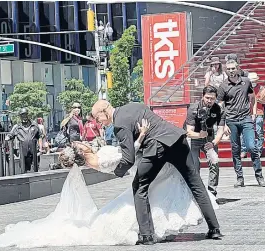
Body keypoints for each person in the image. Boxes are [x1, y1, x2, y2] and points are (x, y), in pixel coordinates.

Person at [0, 120, 219, 250]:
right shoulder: (98, 160)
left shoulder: (94, 158)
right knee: (135, 204)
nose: (80, 141)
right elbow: (126, 159)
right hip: (141, 165)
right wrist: (144, 134)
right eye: (78, 144)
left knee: (136, 202)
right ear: (80, 153)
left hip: (148, 166)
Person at [91, 100, 222, 245]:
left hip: (156, 147)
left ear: (104, 111)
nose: (99, 123)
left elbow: (128, 159)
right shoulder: (134, 105)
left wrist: (117, 172)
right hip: (177, 139)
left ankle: (147, 235)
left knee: (139, 187)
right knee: (196, 184)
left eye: (97, 118)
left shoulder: (119, 124)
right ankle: (214, 228)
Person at [217, 60, 265, 188]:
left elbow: (253, 96)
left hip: (245, 118)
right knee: (235, 150)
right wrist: (223, 124)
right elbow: (220, 106)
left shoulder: (246, 81)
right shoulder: (223, 86)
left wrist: (254, 111)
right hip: (231, 120)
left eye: (233, 68)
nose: (231, 70)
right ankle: (240, 178)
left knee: (251, 146)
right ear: (226, 70)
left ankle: (259, 176)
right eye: (229, 69)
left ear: (238, 68)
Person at [184, 86, 225, 197]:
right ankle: (195, 193)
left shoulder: (219, 109)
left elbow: (221, 130)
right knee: (194, 166)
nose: (209, 101)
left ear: (216, 98)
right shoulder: (193, 108)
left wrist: (213, 143)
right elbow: (189, 132)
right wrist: (199, 135)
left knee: (214, 160)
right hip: (193, 137)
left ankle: (212, 192)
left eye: (212, 98)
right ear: (202, 96)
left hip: (209, 136)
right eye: (207, 98)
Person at [240, 73, 265, 159]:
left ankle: (258, 150)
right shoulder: (245, 88)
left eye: (253, 81)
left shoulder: (261, 88)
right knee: (244, 131)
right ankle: (244, 150)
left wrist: (260, 100)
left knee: (259, 131)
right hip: (247, 112)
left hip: (259, 112)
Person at [5, 108, 40, 172]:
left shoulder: (34, 125)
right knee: (24, 170)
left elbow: (39, 136)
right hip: (23, 153)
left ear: (28, 115)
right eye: (22, 115)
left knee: (35, 170)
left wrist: (39, 147)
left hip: (34, 152)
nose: (24, 117)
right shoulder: (17, 127)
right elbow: (10, 135)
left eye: (25, 115)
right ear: (20, 117)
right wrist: (6, 140)